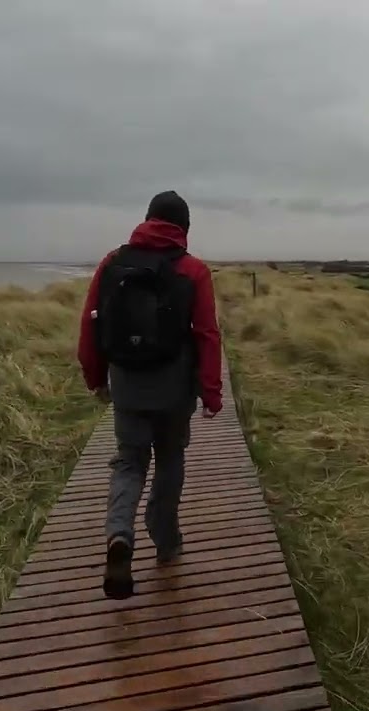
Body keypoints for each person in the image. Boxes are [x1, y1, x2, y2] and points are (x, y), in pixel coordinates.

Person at [77, 190, 223, 600]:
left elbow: (91, 324)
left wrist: (95, 377)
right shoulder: (194, 271)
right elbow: (208, 336)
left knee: (129, 463)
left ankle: (119, 536)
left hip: (127, 386)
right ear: (185, 229)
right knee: (170, 460)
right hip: (175, 392)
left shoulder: (112, 263)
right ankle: (167, 542)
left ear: (146, 220)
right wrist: (211, 392)